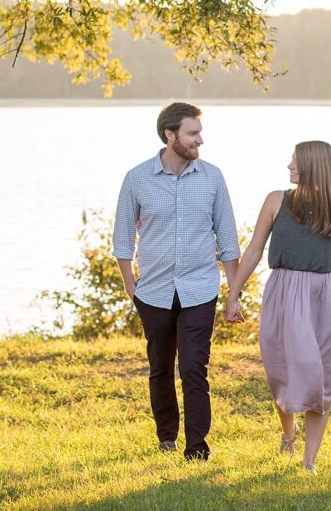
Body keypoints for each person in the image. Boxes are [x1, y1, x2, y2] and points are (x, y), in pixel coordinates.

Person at [225, 140, 331, 473]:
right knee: (282, 370)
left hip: (325, 297)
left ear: (313, 167)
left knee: (321, 376)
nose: (289, 167)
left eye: (294, 162)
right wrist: (233, 293)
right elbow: (252, 251)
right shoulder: (276, 201)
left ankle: (309, 462)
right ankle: (288, 433)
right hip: (283, 290)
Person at [112, 102, 239, 461]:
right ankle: (166, 436)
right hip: (152, 292)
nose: (200, 139)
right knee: (161, 366)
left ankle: (196, 446)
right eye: (193, 133)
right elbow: (123, 239)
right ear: (170, 136)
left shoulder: (213, 177)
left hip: (200, 288)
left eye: (199, 132)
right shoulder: (137, 179)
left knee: (194, 366)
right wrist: (130, 286)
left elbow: (227, 240)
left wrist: (234, 294)